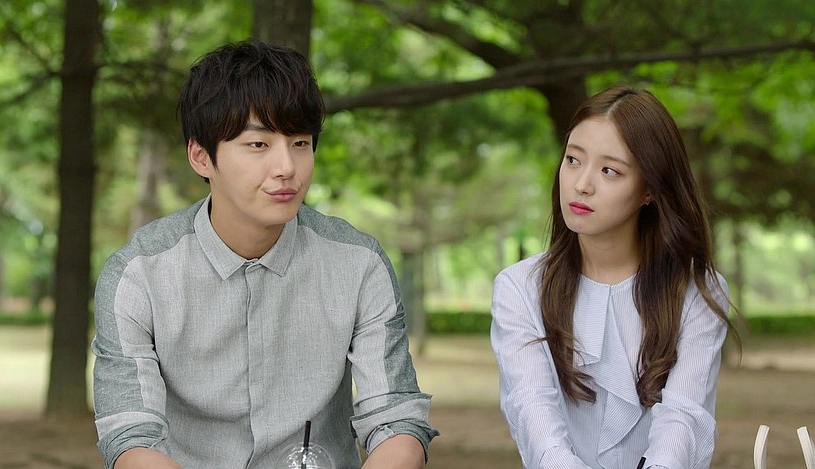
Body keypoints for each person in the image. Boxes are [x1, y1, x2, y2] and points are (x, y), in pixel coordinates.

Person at [91, 39, 438, 469]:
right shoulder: (138, 275)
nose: (287, 168)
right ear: (201, 157)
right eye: (258, 144)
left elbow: (396, 420)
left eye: (300, 143)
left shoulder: (358, 264)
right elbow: (130, 437)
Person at [490, 85, 738, 469]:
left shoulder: (696, 290)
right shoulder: (521, 287)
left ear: (649, 189)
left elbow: (683, 417)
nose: (582, 184)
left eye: (609, 170)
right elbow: (532, 409)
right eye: (573, 160)